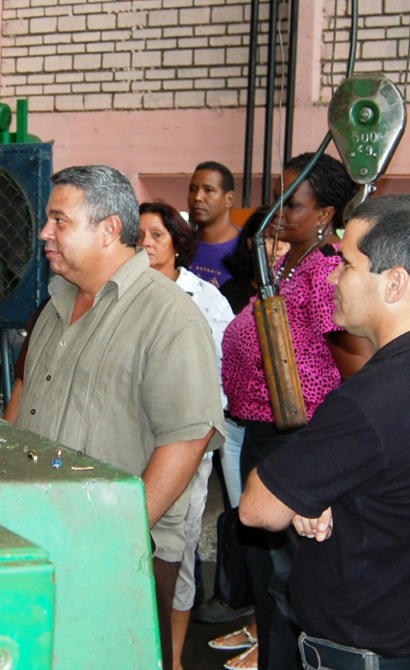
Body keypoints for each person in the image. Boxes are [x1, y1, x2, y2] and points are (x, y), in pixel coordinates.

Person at [240, 193, 410, 670]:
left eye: (347, 263)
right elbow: (399, 492)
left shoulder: (373, 399)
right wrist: (321, 498)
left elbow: (258, 509)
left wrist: (305, 499)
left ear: (394, 283)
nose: (335, 278)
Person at [15, 165, 224, 668]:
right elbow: (26, 404)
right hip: (44, 538)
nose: (45, 232)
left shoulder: (169, 317)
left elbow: (188, 439)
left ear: (108, 229)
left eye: (59, 220)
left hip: (122, 554)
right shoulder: (56, 306)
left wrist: (117, 537)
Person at [219, 152, 372, 670]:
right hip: (262, 437)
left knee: (286, 580)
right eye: (279, 196)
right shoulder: (288, 264)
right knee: (268, 579)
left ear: (326, 212)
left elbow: (358, 367)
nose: (279, 209)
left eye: (294, 201)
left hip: (295, 442)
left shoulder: (326, 272)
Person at [139, 201, 234, 670]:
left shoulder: (208, 301)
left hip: (188, 445)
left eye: (157, 235)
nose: (146, 244)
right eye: (139, 235)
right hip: (133, 440)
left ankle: (173, 658)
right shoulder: (123, 295)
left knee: (178, 548)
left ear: (177, 241)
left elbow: (222, 379)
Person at [188, 161, 238, 287]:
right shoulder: (181, 244)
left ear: (229, 199)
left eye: (208, 190)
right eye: (193, 190)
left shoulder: (246, 249)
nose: (197, 197)